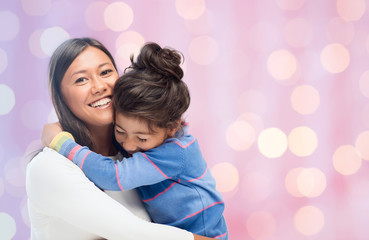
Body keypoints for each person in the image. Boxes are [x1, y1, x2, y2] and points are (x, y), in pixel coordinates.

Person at [26, 37, 216, 240]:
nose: (98, 86)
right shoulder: (48, 167)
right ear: (60, 96)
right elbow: (134, 233)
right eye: (81, 79)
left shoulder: (136, 156)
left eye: (105, 72)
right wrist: (61, 143)